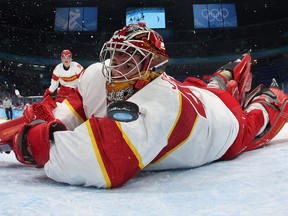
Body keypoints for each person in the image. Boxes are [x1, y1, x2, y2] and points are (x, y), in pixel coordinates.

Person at [9, 23, 288, 188]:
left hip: (221, 124)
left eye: (127, 60)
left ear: (151, 67)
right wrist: (54, 121)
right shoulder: (105, 72)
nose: (114, 67)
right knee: (210, 86)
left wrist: (34, 141)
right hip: (194, 93)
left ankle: (266, 100)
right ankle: (224, 74)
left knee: (249, 123)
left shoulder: (160, 105)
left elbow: (98, 161)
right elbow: (80, 103)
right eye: (115, 55)